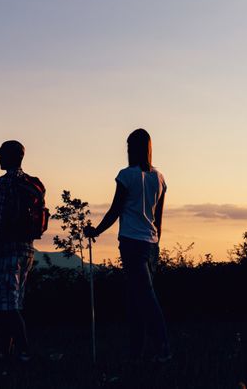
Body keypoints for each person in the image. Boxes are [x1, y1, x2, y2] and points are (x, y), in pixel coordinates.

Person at [84, 128, 172, 362]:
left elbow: (115, 209)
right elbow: (159, 218)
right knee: (136, 299)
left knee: (145, 297)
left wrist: (96, 231)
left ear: (131, 149)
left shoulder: (126, 175)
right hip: (151, 243)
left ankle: (163, 349)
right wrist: (156, 242)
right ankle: (136, 352)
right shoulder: (159, 177)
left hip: (132, 243)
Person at [0, 140, 45, 363]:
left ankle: (24, 351)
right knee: (11, 303)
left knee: (4, 306)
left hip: (7, 250)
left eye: (1, 155)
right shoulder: (30, 184)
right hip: (27, 250)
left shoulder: (4, 183)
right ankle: (5, 352)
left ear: (11, 157)